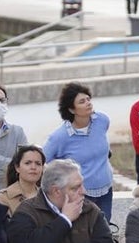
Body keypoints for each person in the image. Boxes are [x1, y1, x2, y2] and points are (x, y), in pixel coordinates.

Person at [43, 82, 115, 219]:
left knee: (105, 228)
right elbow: (43, 160)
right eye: (82, 101)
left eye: (88, 99)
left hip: (106, 189)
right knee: (83, 230)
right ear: (71, 109)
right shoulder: (59, 137)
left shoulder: (102, 120)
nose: (88, 103)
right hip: (80, 195)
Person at [0, 144, 45, 214]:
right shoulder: (4, 197)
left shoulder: (46, 196)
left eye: (38, 163)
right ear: (17, 167)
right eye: (28, 163)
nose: (33, 167)